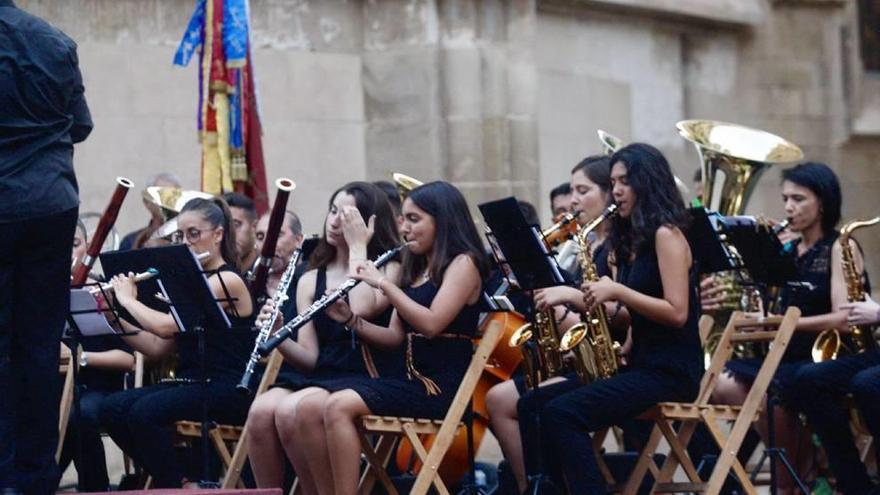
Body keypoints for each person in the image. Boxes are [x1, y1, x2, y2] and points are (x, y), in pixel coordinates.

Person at [283, 181, 488, 495]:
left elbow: (432, 324)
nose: (404, 227)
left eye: (414, 219)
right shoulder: (415, 267)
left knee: (337, 405)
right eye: (403, 219)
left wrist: (383, 284)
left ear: (443, 220)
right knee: (317, 405)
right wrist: (351, 320)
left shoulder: (464, 263)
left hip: (438, 387)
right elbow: (394, 336)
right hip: (407, 381)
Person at [538, 143, 702, 493]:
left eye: (625, 181)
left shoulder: (667, 234)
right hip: (642, 363)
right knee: (534, 403)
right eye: (613, 182)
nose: (617, 190)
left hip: (671, 371)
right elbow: (638, 315)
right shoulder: (634, 241)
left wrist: (618, 291)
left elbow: (677, 313)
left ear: (648, 183)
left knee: (562, 413)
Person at [244, 182, 401, 491]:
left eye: (347, 215)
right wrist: (278, 335)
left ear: (369, 223)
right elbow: (310, 358)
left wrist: (359, 246)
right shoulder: (311, 278)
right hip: (323, 374)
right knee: (261, 411)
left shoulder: (390, 266)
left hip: (367, 373)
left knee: (292, 411)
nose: (335, 221)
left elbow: (361, 307)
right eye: (332, 211)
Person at [711, 162, 857, 492]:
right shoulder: (789, 250)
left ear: (823, 202)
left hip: (822, 358)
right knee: (722, 383)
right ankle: (803, 463)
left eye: (799, 199)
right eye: (785, 199)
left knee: (774, 394)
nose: (789, 207)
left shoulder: (838, 247)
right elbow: (773, 306)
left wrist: (785, 325)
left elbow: (844, 317)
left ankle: (790, 479)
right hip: (785, 355)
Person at [485, 155, 621, 494]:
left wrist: (566, 303)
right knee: (500, 399)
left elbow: (617, 315)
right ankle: (529, 486)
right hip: (582, 358)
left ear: (608, 194)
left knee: (536, 405)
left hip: (609, 361)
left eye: (583, 190)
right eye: (572, 189)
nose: (573, 200)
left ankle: (550, 486)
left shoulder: (617, 248)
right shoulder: (586, 246)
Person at [98, 197, 254, 487]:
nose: (185, 243)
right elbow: (158, 347)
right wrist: (113, 318)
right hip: (191, 383)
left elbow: (165, 326)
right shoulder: (191, 281)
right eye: (180, 236)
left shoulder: (226, 280)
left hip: (226, 386)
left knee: (144, 414)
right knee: (111, 409)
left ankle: (177, 485)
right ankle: (176, 478)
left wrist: (127, 300)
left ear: (218, 234)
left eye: (194, 234)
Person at [0, 1, 93, 491]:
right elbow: (80, 125)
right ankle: (34, 475)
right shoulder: (55, 40)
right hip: (51, 203)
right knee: (38, 346)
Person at [58, 222, 135, 492]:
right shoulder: (42, 293)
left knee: (79, 416)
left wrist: (81, 357)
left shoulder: (104, 292)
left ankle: (95, 488)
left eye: (75, 244)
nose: (68, 252)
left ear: (88, 247)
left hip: (101, 387)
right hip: (56, 388)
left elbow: (128, 360)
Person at [118, 172, 182, 251]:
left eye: (174, 196)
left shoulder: (193, 239)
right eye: (161, 195)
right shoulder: (130, 241)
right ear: (147, 201)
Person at [254, 209, 305, 298]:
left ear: (298, 240)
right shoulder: (252, 284)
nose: (267, 244)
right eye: (260, 237)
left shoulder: (314, 279)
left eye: (276, 235)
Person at [223, 192, 259, 274]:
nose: (229, 233)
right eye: (223, 226)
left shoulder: (270, 274)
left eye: (235, 225)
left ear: (254, 228)